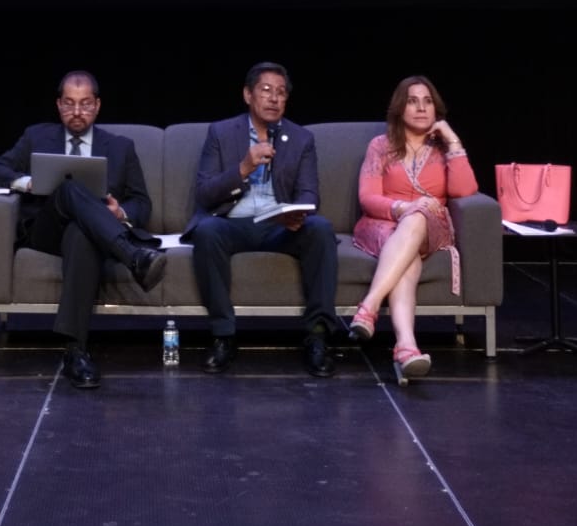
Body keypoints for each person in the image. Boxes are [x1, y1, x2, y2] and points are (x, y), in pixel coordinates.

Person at [0, 71, 167, 389]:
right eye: (69, 103)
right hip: (45, 232)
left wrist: (119, 212)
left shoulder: (120, 147)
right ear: (58, 105)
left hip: (93, 235)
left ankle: (75, 352)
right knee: (68, 188)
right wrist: (29, 182)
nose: (77, 112)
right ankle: (133, 256)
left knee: (81, 234)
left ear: (97, 105)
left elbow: (142, 202)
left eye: (85, 104)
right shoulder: (36, 137)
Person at [185, 61, 341, 377]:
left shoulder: (301, 138)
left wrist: (295, 213)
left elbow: (309, 193)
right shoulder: (220, 133)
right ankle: (223, 336)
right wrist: (243, 167)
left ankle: (317, 336)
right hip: (232, 223)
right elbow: (205, 193)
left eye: (281, 93)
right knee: (207, 230)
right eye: (266, 90)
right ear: (248, 95)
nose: (274, 98)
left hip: (279, 226)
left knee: (321, 228)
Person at [347, 75, 478, 383]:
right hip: (382, 223)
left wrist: (453, 140)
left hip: (430, 225)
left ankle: (369, 306)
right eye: (413, 101)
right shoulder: (381, 146)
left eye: (427, 101)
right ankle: (406, 347)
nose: (421, 108)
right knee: (409, 256)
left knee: (418, 218)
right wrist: (402, 207)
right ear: (399, 108)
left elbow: (464, 190)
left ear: (436, 109)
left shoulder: (443, 148)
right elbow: (368, 197)